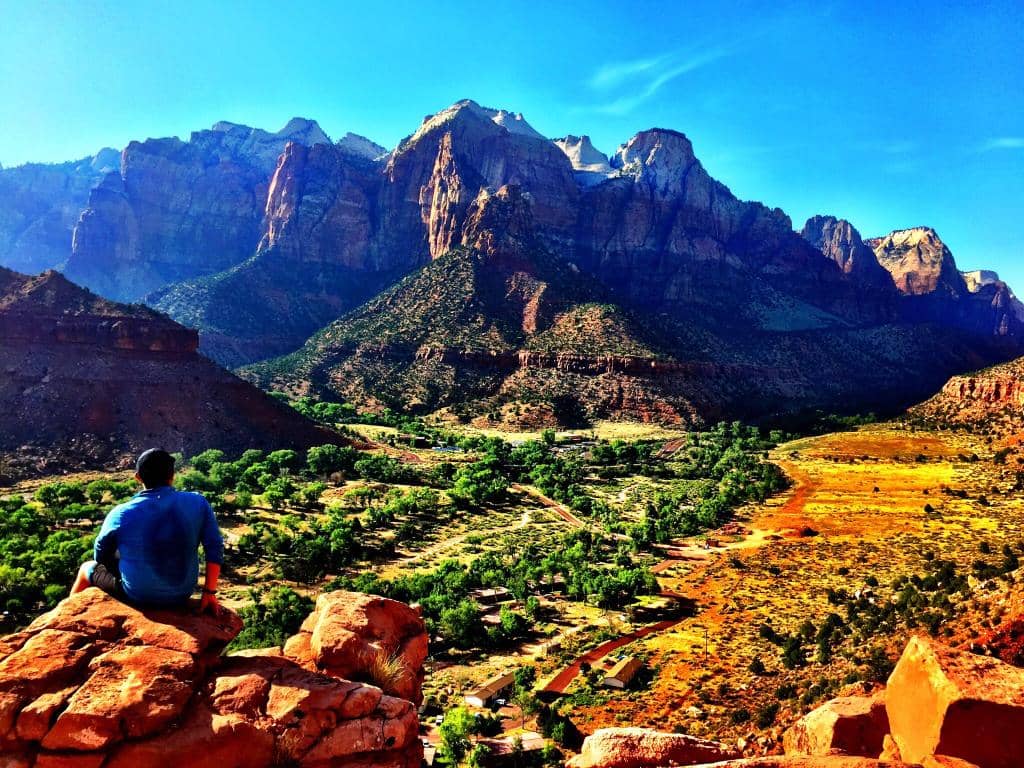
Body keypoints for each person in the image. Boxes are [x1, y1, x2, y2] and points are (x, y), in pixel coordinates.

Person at [71, 448, 224, 614]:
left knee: (87, 567)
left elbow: (100, 555)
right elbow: (215, 547)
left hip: (139, 595)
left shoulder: (121, 513)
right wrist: (209, 592)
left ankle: (68, 616)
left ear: (138, 477)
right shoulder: (198, 502)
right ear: (172, 476)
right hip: (182, 593)